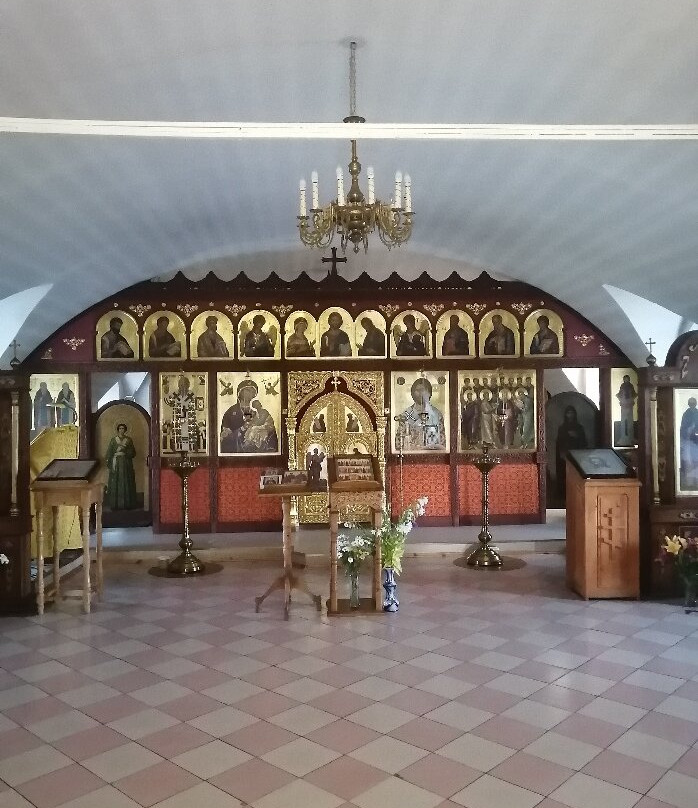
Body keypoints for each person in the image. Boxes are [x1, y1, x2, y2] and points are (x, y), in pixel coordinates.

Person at [220, 379, 278, 453]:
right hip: (236, 456)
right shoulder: (231, 412)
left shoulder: (261, 412)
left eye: (253, 391)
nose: (251, 393)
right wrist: (241, 429)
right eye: (247, 390)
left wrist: (262, 430)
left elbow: (271, 432)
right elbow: (224, 439)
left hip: (258, 454)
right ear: (240, 393)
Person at [398, 377, 446, 451]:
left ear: (429, 393)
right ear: (412, 393)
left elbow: (442, 441)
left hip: (432, 457)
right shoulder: (406, 414)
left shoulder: (436, 414)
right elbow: (399, 443)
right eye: (417, 390)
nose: (421, 393)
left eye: (423, 390)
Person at [555, 405, 588, 497]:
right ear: (566, 414)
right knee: (565, 474)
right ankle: (563, 494)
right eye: (568, 412)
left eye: (572, 412)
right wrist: (562, 452)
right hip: (565, 455)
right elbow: (559, 442)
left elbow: (584, 442)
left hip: (577, 455)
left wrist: (576, 436)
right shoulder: (562, 428)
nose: (570, 415)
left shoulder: (579, 427)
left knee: (575, 475)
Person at [105, 423, 137, 510]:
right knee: (116, 481)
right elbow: (109, 452)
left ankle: (127, 504)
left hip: (126, 463)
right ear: (118, 430)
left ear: (125, 430)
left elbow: (133, 452)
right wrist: (109, 461)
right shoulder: (113, 440)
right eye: (120, 428)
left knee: (126, 481)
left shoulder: (128, 440)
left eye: (123, 429)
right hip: (116, 463)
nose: (121, 430)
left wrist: (126, 452)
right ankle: (115, 504)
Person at [679, 397, 698, 490]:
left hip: (696, 441)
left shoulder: (697, 413)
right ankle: (690, 482)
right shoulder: (686, 414)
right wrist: (689, 430)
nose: (692, 404)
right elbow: (683, 428)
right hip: (689, 442)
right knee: (689, 461)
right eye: (691, 403)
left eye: (693, 403)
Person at [615, 374, 637, 446]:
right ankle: (623, 438)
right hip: (624, 404)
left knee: (630, 421)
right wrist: (622, 399)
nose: (626, 380)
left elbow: (634, 394)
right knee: (623, 421)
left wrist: (630, 399)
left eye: (627, 378)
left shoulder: (631, 386)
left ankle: (631, 438)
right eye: (625, 379)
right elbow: (619, 394)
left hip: (629, 405)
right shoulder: (622, 386)